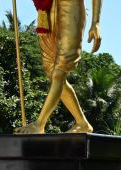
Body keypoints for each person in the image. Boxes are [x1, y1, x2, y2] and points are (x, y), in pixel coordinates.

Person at [14, 0, 102, 134]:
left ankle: (39, 124)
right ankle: (82, 123)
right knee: (51, 71)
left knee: (60, 70)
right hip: (47, 10)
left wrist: (95, 22)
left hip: (71, 8)